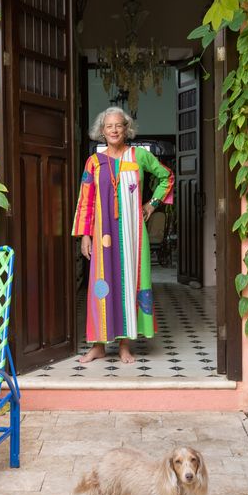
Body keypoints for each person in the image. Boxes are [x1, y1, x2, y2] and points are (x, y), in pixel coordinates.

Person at [72, 107, 174, 364]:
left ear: (127, 128)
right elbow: (85, 200)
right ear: (102, 132)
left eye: (119, 125)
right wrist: (85, 235)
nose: (114, 130)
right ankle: (97, 345)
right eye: (109, 126)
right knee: (101, 287)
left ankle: (124, 345)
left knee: (129, 283)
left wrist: (152, 204)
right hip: (101, 233)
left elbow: (167, 177)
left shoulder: (139, 156)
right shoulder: (93, 162)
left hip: (133, 235)